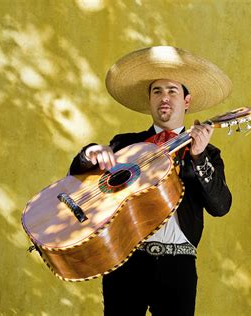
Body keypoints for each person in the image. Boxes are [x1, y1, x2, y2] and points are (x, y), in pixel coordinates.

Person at [68, 46, 233, 315]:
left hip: (177, 266)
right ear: (149, 100)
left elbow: (221, 206)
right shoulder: (125, 144)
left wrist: (199, 157)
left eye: (172, 91)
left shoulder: (207, 153)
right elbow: (78, 180)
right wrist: (88, 153)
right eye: (157, 91)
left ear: (187, 101)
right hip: (126, 262)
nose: (164, 98)